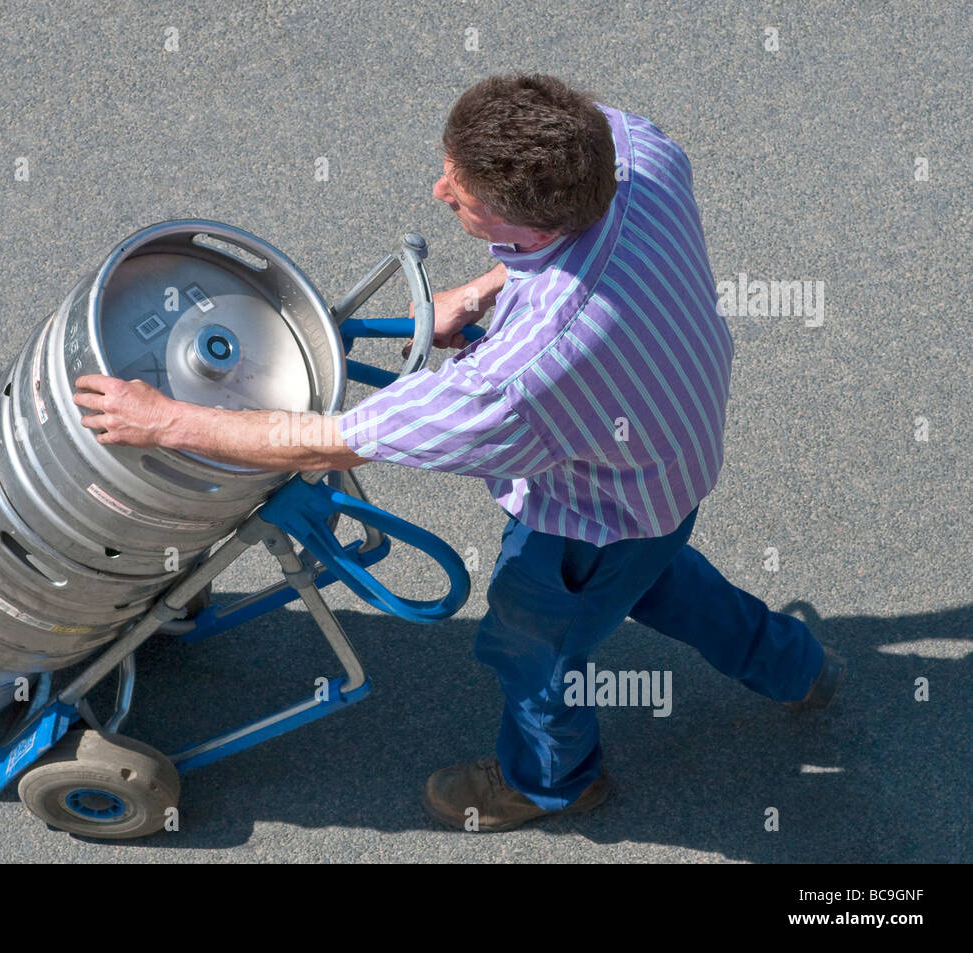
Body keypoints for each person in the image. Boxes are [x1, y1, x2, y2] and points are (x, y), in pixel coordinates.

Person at [72, 72, 845, 832]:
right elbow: (561, 249)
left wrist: (166, 420)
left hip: (588, 516)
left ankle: (551, 782)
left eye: (461, 192)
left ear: (535, 226)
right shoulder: (630, 152)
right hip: (670, 458)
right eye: (452, 165)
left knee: (534, 653)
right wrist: (485, 292)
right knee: (662, 576)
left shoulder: (516, 381)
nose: (440, 190)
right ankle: (794, 666)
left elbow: (323, 440)